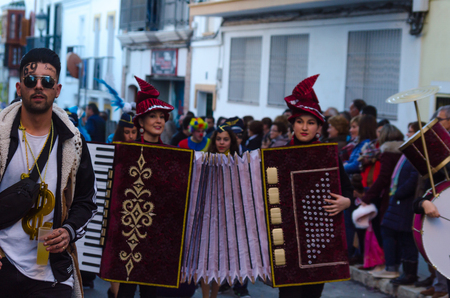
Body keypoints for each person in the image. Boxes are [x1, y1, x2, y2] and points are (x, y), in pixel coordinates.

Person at [0, 48, 97, 297]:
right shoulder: (2, 137)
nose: (39, 86)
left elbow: (87, 201)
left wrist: (68, 231)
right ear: (20, 87)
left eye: (47, 81)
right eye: (31, 80)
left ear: (58, 89)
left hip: (50, 271)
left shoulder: (73, 143)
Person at [279, 74, 352, 298]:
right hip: (286, 241)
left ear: (319, 127)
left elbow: (348, 191)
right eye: (300, 121)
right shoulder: (278, 156)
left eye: (311, 123)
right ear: (292, 124)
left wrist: (346, 201)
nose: (304, 127)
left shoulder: (329, 155)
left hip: (318, 239)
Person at [117, 76, 175, 298]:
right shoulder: (126, 153)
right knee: (126, 292)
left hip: (157, 239)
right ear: (140, 122)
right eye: (153, 116)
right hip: (128, 237)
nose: (159, 120)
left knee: (152, 293)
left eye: (162, 116)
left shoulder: (173, 157)